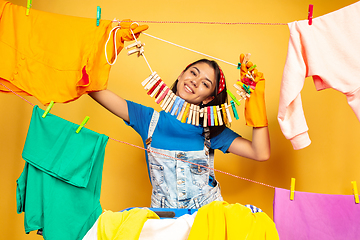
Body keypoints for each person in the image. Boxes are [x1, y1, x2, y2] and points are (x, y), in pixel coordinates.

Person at [89, 26, 270, 209]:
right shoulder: (149, 120)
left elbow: (260, 153)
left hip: (205, 221)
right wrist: (112, 43)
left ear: (208, 98)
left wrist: (255, 102)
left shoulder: (210, 130)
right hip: (165, 221)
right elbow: (95, 90)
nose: (195, 81)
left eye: (205, 84)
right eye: (193, 73)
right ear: (181, 74)